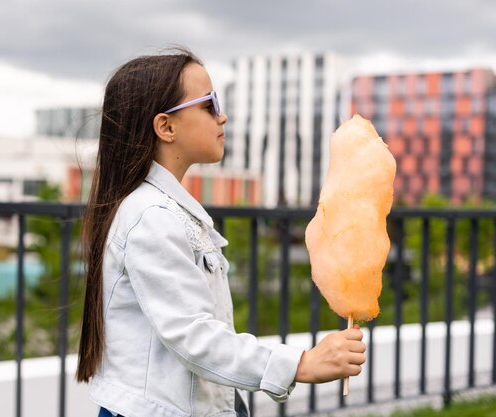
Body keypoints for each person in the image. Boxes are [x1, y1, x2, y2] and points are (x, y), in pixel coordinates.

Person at [76, 47, 366, 417]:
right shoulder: (150, 215)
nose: (222, 116)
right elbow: (193, 336)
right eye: (209, 104)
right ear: (166, 126)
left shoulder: (162, 209)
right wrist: (301, 364)